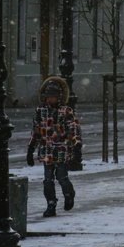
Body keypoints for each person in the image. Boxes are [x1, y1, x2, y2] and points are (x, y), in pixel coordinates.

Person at [27, 75, 81, 218]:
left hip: (61, 149)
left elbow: (73, 128)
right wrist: (31, 147)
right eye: (48, 96)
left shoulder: (66, 111)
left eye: (54, 96)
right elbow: (36, 130)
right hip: (46, 150)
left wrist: (76, 144)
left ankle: (69, 193)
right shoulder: (41, 111)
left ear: (59, 97)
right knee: (47, 179)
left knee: (62, 177)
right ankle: (51, 204)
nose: (50, 99)